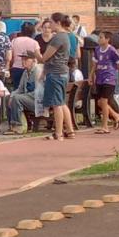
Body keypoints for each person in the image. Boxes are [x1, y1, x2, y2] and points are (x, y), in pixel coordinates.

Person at [40, 13, 74, 141]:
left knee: (56, 104)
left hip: (55, 72)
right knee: (61, 102)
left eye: (52, 23)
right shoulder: (66, 36)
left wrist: (36, 54)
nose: (50, 25)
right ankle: (69, 130)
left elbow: (45, 57)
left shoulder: (58, 37)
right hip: (61, 72)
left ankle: (58, 132)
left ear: (58, 23)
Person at [91, 31, 119, 134]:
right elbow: (94, 64)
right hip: (99, 78)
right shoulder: (96, 50)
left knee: (104, 102)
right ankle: (116, 115)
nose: (99, 39)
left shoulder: (112, 50)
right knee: (100, 102)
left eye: (101, 37)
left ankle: (105, 126)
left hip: (109, 79)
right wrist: (91, 76)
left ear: (107, 39)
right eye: (99, 37)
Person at [6, 51, 40, 135]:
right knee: (10, 97)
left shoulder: (38, 72)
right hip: (29, 99)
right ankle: (12, 125)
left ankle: (18, 126)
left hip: (39, 102)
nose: (23, 61)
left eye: (26, 59)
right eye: (22, 59)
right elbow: (20, 89)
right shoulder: (25, 72)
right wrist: (12, 96)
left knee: (17, 98)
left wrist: (19, 96)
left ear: (34, 60)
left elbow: (39, 92)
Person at [9, 22, 40, 89]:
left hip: (16, 68)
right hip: (30, 69)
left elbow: (11, 57)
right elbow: (38, 57)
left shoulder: (14, 41)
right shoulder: (34, 42)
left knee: (17, 88)